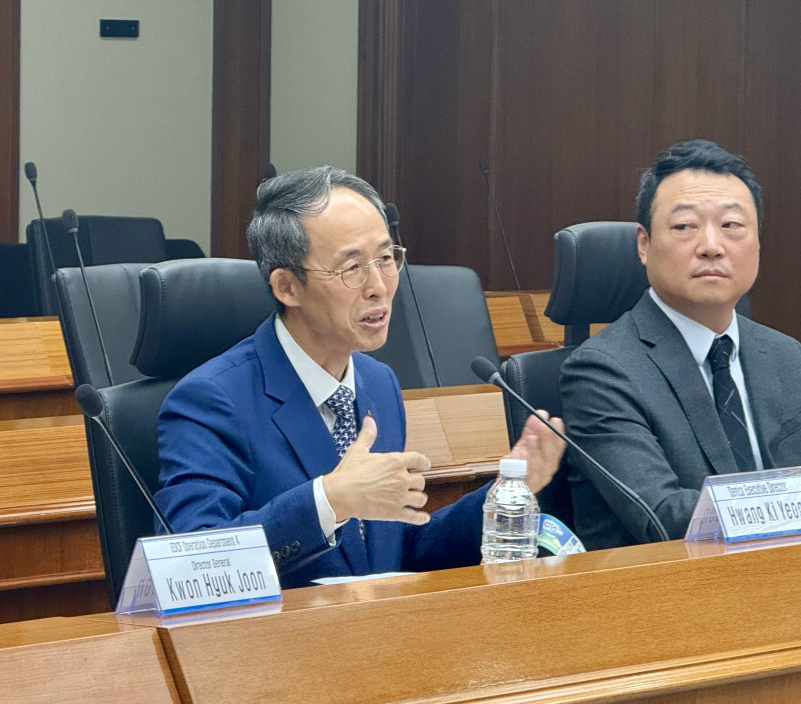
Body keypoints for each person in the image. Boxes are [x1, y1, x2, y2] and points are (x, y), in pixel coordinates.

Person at [155, 166, 565, 587]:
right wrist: (330, 500)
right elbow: (190, 564)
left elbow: (389, 555)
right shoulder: (211, 400)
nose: (379, 287)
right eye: (352, 267)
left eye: (386, 259)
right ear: (287, 287)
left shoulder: (378, 382)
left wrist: (505, 494)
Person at [559, 139, 801, 550]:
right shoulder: (602, 370)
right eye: (684, 226)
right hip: (668, 582)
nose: (711, 246)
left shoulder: (785, 356)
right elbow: (662, 516)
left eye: (731, 225)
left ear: (758, 245)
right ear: (644, 244)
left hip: (795, 576)